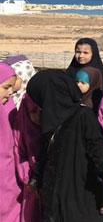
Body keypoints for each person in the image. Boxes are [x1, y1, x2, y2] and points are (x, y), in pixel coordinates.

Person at [26, 70, 103, 222]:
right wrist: (37, 178)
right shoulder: (51, 120)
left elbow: (96, 144)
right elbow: (45, 153)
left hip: (78, 185)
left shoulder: (83, 116)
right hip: (55, 189)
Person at [12, 94, 42, 222]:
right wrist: (28, 178)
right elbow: (19, 152)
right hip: (30, 185)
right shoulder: (22, 127)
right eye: (34, 111)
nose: (39, 116)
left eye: (42, 111)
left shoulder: (51, 127)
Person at [0, 62, 21, 222]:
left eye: (11, 87)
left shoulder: (8, 106)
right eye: (6, 87)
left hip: (8, 176)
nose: (10, 91)